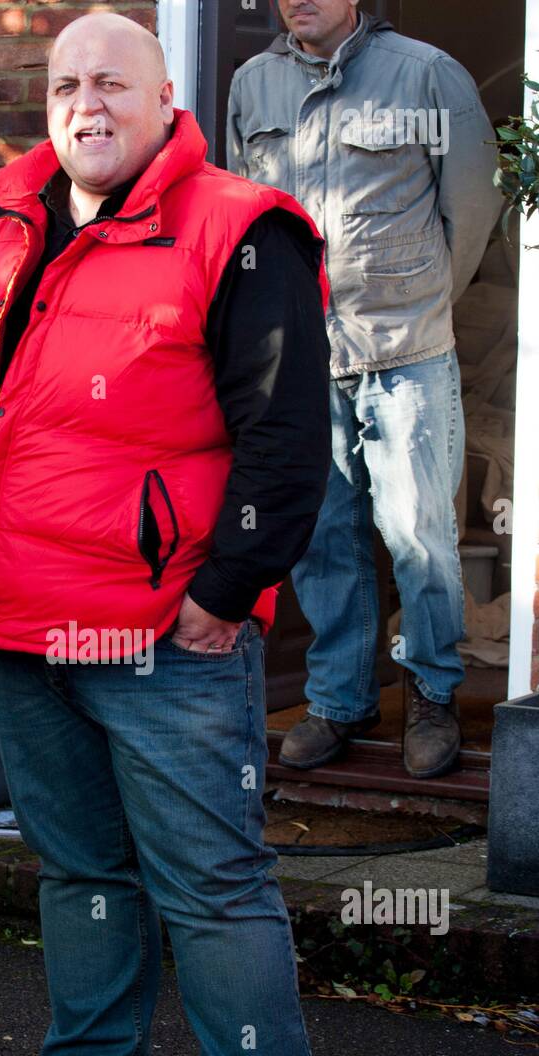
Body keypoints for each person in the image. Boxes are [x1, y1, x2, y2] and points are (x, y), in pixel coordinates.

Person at [0, 11, 332, 1056]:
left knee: (212, 887)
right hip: (25, 624)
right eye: (64, 84)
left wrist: (223, 588)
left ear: (163, 103)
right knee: (86, 876)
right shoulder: (6, 218)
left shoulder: (239, 230)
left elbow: (286, 436)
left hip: (165, 639)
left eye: (111, 83)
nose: (84, 103)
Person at [228, 0, 501, 777]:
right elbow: (245, 214)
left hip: (405, 350)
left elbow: (473, 208)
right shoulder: (253, 83)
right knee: (320, 536)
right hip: (303, 357)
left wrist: (418, 306)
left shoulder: (425, 75)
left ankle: (430, 696)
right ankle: (338, 702)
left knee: (418, 537)